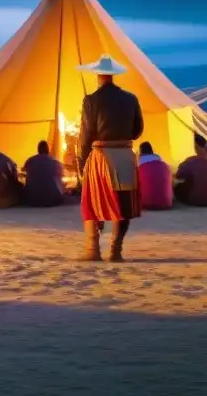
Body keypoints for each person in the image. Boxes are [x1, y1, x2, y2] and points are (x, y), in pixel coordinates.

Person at [77, 55, 144, 262]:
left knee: (91, 202)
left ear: (97, 74)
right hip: (124, 155)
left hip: (101, 156)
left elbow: (86, 134)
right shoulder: (131, 99)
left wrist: (81, 161)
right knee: (122, 206)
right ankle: (116, 251)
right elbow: (137, 130)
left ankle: (93, 250)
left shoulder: (91, 100)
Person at [175, 134, 207, 207]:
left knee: (177, 187)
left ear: (195, 146)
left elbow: (178, 176)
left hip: (196, 201)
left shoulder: (191, 161)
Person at [22, 140, 65, 207]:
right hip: (53, 200)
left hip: (32, 199)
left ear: (38, 150)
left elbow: (24, 171)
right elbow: (61, 176)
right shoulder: (56, 162)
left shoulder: (30, 161)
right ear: (48, 150)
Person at [137, 141, 173, 210]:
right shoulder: (165, 166)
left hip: (147, 203)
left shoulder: (140, 167)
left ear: (140, 152)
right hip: (166, 203)